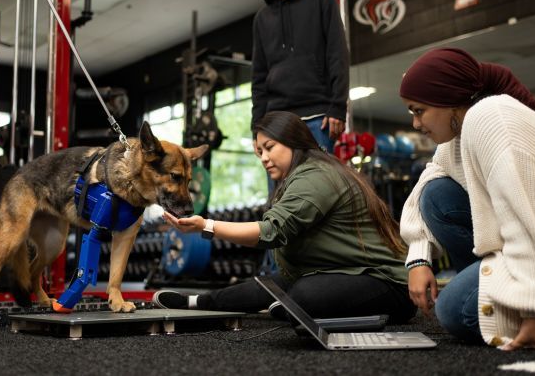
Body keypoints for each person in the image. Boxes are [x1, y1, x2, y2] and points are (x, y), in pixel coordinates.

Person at [398, 47, 535, 352]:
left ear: (449, 101)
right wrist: (419, 259)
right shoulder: (459, 135)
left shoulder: (491, 118)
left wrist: (534, 310)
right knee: (436, 195)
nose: (415, 124)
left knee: (455, 310)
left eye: (418, 110)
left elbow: (524, 219)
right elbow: (424, 189)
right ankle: (504, 294)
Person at [155, 111, 415, 322]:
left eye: (269, 147)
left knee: (302, 293)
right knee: (267, 285)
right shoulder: (300, 176)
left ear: (293, 141)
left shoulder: (317, 177)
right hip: (334, 271)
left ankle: (294, 306)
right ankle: (199, 303)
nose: (264, 159)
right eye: (259, 152)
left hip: (388, 285)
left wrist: (206, 226)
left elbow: (272, 232)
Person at [248, 0, 349, 153]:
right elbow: (258, 79)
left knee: (316, 187)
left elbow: (337, 54)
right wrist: (257, 128)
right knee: (281, 190)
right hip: (275, 125)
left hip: (318, 119)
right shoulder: (261, 18)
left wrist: (337, 108)